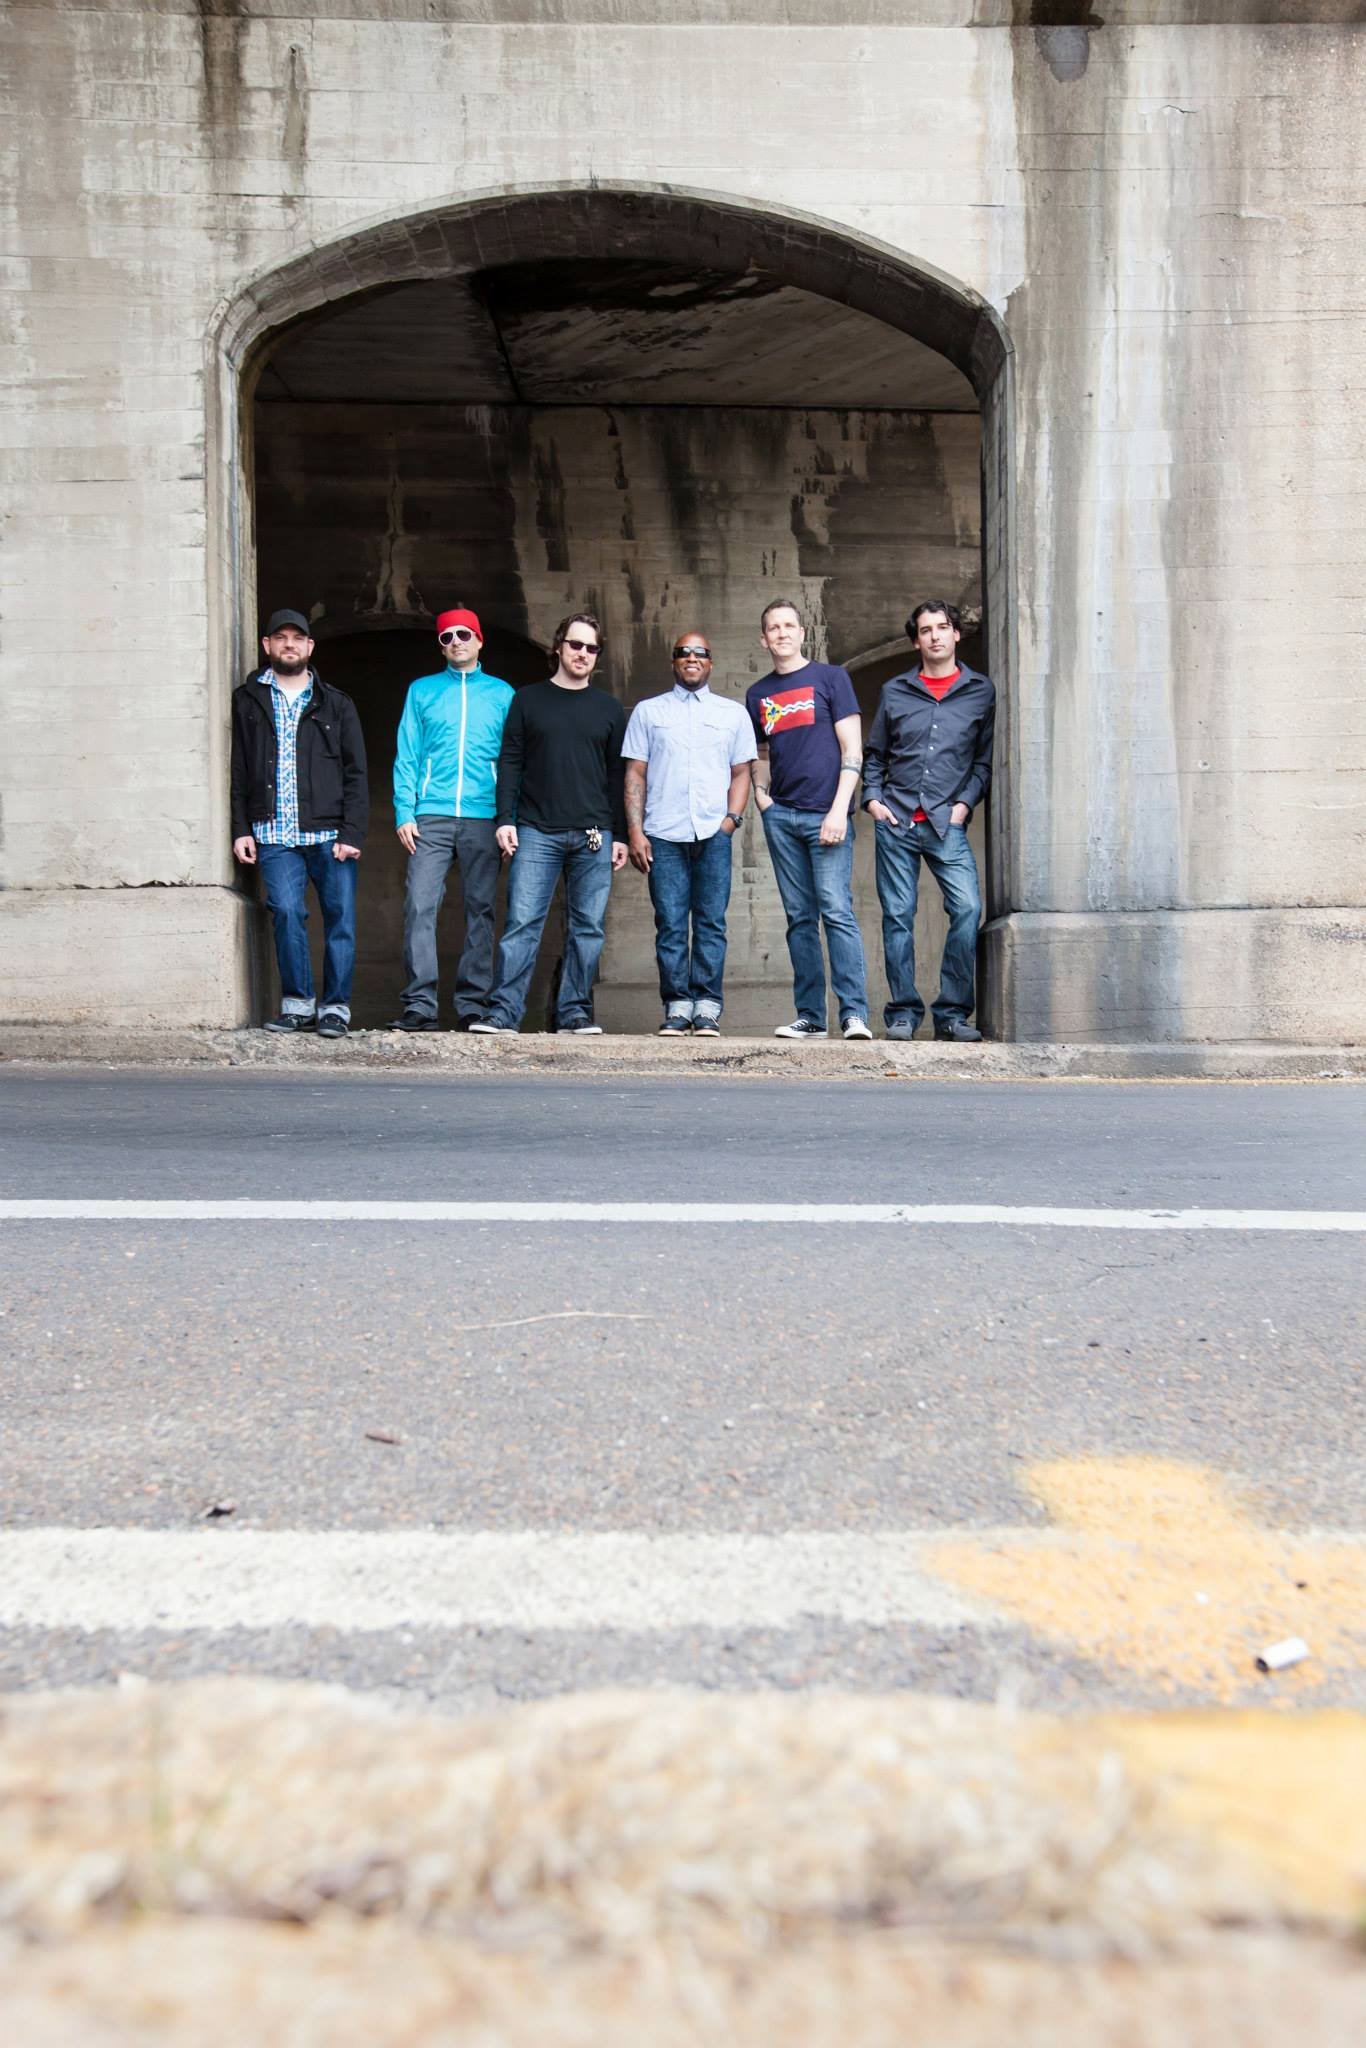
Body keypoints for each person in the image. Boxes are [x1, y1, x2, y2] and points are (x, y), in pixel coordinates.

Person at [471, 613, 627, 1035]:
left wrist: (621, 835)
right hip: (536, 831)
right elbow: (510, 762)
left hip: (594, 835)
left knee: (587, 929)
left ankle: (574, 1012)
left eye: (591, 648)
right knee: (522, 924)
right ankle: (504, 1013)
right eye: (575, 644)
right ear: (558, 646)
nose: (582, 653)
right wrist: (505, 819)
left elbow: (616, 777)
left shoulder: (609, 709)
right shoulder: (528, 700)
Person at [862, 599, 996, 1042]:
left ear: (956, 634)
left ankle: (952, 1015)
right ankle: (902, 1012)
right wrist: (873, 800)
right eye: (925, 630)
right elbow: (876, 754)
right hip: (896, 818)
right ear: (915, 641)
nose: (935, 636)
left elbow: (983, 761)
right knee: (898, 916)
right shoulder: (896, 691)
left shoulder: (981, 691)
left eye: (942, 627)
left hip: (946, 822)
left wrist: (964, 805)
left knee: (968, 908)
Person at [231, 609, 368, 1037]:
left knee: (340, 918)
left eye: (297, 638)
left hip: (329, 834)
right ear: (267, 645)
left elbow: (356, 772)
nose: (289, 645)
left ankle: (336, 1008)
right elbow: (238, 768)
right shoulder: (248, 699)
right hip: (273, 833)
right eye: (281, 638)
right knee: (287, 913)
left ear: (310, 646)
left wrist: (352, 831)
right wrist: (240, 828)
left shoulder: (337, 703)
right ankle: (298, 1005)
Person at [746, 600, 872, 1040]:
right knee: (800, 918)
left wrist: (839, 809)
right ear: (764, 639)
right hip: (782, 817)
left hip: (827, 815)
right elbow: (762, 753)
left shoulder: (831, 678)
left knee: (836, 912)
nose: (782, 633)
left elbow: (853, 750)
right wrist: (762, 798)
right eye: (773, 628)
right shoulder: (757, 694)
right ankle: (812, 1017)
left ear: (802, 633)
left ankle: (854, 1014)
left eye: (789, 625)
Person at [623, 630, 756, 1036]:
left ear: (711, 662)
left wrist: (730, 822)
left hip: (713, 833)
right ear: (674, 661)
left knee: (712, 923)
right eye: (684, 652)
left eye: (700, 652)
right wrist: (635, 831)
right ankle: (678, 1006)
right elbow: (636, 773)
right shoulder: (648, 712)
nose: (692, 658)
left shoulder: (733, 714)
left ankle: (707, 1008)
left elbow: (742, 772)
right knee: (671, 923)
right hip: (663, 833)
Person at [389, 607, 514, 1032]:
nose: (456, 642)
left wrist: (508, 818)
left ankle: (473, 1005)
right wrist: (404, 810)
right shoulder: (421, 690)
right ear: (440, 646)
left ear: (479, 640)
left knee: (482, 909)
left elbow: (513, 761)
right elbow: (407, 753)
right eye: (447, 637)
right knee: (419, 904)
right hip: (431, 815)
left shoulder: (502, 694)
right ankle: (420, 1004)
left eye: (464, 634)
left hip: (484, 816)